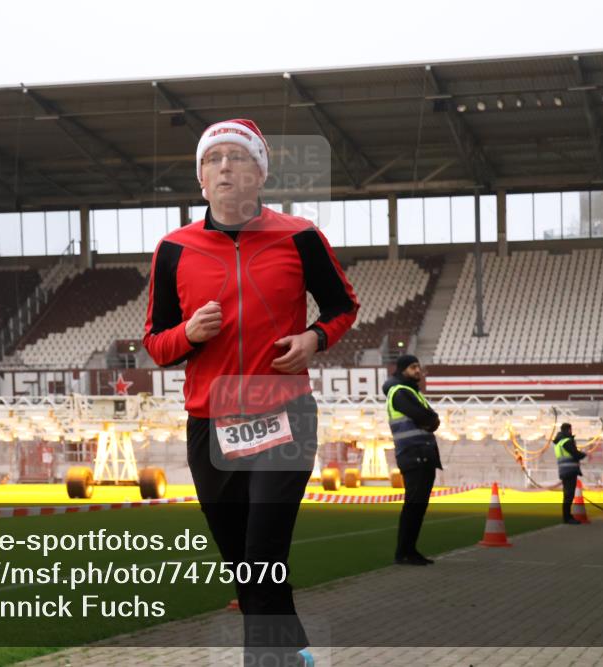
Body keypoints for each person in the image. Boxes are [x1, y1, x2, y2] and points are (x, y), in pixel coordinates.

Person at [143, 118, 359, 666]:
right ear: (199, 178)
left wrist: (314, 338)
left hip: (283, 414)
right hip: (210, 424)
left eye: (237, 157)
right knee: (248, 568)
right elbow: (155, 343)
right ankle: (298, 656)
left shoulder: (300, 236)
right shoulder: (173, 249)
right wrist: (188, 334)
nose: (224, 167)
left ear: (259, 173)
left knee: (261, 559)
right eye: (212, 159)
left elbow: (343, 306)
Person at [382, 354, 442, 565]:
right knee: (413, 506)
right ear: (402, 369)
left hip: (421, 455)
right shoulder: (400, 393)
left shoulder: (410, 392)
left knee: (417, 507)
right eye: (413, 367)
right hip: (414, 454)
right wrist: (431, 419)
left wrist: (431, 419)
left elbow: (432, 419)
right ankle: (404, 552)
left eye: (418, 366)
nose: (418, 370)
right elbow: (427, 418)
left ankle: (409, 550)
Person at [553, 422, 587, 524]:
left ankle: (567, 516)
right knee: (569, 495)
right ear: (569, 430)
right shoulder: (566, 441)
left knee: (567, 494)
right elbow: (575, 454)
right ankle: (567, 518)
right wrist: (584, 454)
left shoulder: (559, 442)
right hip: (570, 470)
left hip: (564, 470)